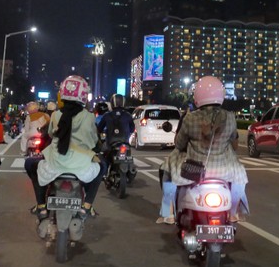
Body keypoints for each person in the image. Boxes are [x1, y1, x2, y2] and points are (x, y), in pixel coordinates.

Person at [157, 76, 249, 224]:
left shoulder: (190, 118)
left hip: (194, 171)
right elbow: (235, 145)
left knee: (168, 168)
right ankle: (233, 212)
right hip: (225, 171)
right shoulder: (230, 117)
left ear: (197, 96)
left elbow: (179, 144)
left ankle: (168, 213)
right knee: (240, 175)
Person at [25, 75, 105, 219]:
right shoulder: (89, 116)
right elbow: (94, 141)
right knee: (102, 167)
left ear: (63, 94)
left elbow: (49, 134)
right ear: (83, 95)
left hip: (55, 165)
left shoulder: (55, 115)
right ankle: (87, 206)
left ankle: (41, 206)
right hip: (82, 167)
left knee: (29, 163)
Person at [97, 94, 135, 175]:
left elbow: (99, 129)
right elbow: (132, 129)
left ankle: (104, 173)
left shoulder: (107, 115)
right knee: (128, 155)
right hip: (125, 143)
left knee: (102, 155)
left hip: (110, 143)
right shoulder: (128, 115)